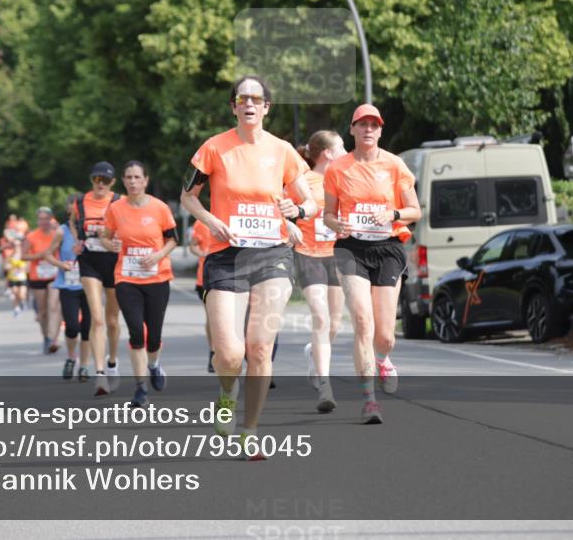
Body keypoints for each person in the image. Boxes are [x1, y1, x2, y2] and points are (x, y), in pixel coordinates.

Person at [179, 75, 315, 457]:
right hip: (226, 254)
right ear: (234, 107)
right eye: (243, 99)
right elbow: (188, 197)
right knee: (229, 353)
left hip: (272, 255)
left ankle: (250, 430)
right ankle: (227, 392)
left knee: (259, 347)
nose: (250, 104)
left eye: (257, 99)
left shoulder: (284, 151)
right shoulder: (214, 148)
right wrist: (209, 220)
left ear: (267, 107)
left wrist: (297, 211)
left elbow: (310, 201)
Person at [323, 104, 420, 425]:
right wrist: (337, 226)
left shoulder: (395, 165)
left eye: (374, 125)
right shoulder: (339, 169)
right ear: (351, 130)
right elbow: (328, 215)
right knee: (362, 322)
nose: (368, 129)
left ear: (380, 131)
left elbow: (414, 211)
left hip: (388, 247)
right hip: (351, 249)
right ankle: (369, 400)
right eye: (362, 124)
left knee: (385, 335)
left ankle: (382, 358)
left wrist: (392, 214)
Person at [101, 161, 178, 408]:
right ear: (123, 181)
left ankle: (154, 365)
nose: (133, 182)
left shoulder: (160, 208)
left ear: (145, 180)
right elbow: (105, 235)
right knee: (136, 332)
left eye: (137, 177)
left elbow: (172, 239)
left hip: (157, 278)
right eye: (128, 177)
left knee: (153, 336)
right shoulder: (115, 208)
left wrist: (158, 255)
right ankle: (141, 388)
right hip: (127, 278)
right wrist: (109, 244)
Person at [289, 130, 347, 413]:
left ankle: (314, 352)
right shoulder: (306, 182)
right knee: (321, 316)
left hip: (336, 256)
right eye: (342, 147)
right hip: (309, 255)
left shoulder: (344, 180)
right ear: (327, 153)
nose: (346, 151)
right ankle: (325, 385)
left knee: (334, 323)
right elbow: (280, 208)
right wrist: (289, 226)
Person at [73, 162, 123, 395]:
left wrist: (119, 241)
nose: (100, 183)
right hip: (89, 261)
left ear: (112, 182)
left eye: (105, 180)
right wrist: (77, 241)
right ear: (91, 180)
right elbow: (74, 224)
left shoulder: (119, 202)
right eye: (96, 179)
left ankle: (112, 361)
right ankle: (100, 373)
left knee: (112, 320)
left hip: (114, 262)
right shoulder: (80, 201)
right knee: (97, 318)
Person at [48, 194, 93, 382]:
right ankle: (70, 357)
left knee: (87, 328)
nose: (76, 210)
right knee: (72, 327)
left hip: (90, 285)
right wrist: (61, 265)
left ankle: (84, 366)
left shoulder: (90, 230)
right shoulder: (61, 231)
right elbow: (47, 255)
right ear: (68, 209)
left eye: (79, 207)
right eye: (72, 206)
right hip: (68, 285)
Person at [22, 207, 62, 353]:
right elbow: (23, 256)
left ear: (51, 219)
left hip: (55, 275)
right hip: (38, 277)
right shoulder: (31, 236)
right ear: (37, 220)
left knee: (54, 307)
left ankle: (54, 339)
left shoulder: (57, 235)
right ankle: (46, 337)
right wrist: (40, 255)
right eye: (41, 219)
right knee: (43, 311)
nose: (44, 222)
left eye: (46, 219)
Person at [188, 219, 214, 373]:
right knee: (212, 317)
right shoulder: (201, 222)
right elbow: (192, 245)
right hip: (205, 278)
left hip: (231, 276)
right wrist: (202, 253)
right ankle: (213, 351)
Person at [6, 240, 29, 317]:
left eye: (18, 245)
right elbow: (6, 266)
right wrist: (10, 267)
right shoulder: (10, 256)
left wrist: (22, 268)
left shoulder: (24, 255)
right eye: (15, 245)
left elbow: (28, 267)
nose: (17, 247)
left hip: (22, 278)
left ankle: (23, 302)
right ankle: (16, 308)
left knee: (22, 294)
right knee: (15, 294)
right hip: (13, 278)